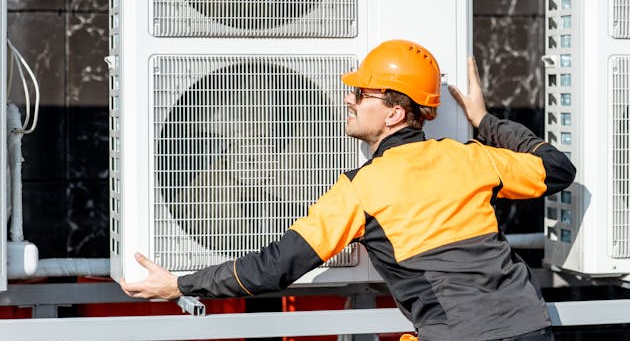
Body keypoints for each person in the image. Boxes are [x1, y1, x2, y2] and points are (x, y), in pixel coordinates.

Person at [120, 39, 575, 341]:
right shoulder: (471, 157)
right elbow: (556, 168)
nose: (348, 99)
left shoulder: (361, 190)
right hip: (532, 328)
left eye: (362, 93)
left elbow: (272, 269)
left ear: (395, 113)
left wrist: (179, 284)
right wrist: (483, 121)